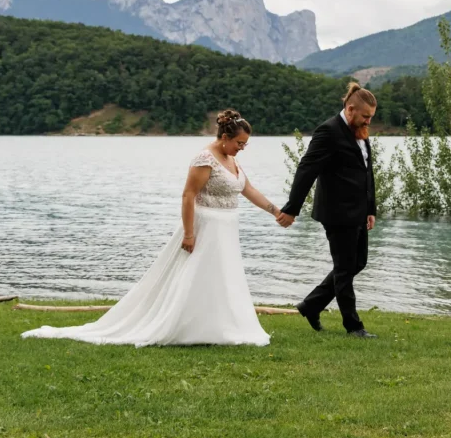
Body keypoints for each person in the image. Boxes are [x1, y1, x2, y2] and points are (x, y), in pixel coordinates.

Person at [21, 110, 281, 347]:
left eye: (245, 144)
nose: (242, 148)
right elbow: (188, 196)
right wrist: (189, 234)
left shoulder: (231, 159)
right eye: (240, 143)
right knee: (195, 276)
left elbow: (247, 190)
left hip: (227, 230)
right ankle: (187, 326)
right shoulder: (206, 159)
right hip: (206, 226)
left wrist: (275, 211)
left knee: (223, 278)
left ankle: (221, 325)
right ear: (225, 137)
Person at [278, 83, 378, 338]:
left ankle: (311, 306)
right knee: (344, 269)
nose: (368, 121)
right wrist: (292, 208)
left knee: (358, 262)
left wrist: (370, 208)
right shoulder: (328, 131)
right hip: (337, 212)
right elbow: (307, 169)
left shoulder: (360, 131)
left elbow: (367, 171)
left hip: (358, 211)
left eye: (371, 117)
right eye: (365, 116)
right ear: (350, 108)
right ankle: (353, 326)